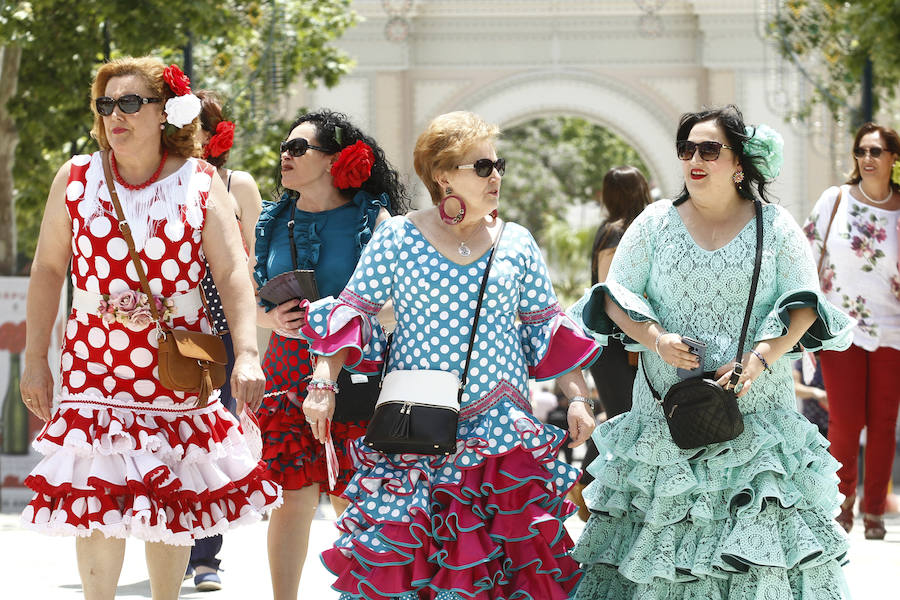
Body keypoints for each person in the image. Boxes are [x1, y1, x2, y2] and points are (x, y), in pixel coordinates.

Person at [300, 110, 600, 598]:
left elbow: (545, 329)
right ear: (443, 175)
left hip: (502, 435)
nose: (496, 175)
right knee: (418, 562)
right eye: (482, 166)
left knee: (507, 566)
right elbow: (353, 312)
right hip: (418, 430)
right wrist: (321, 384)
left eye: (498, 164)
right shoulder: (398, 237)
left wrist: (579, 397)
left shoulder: (517, 243)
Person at [18, 56, 280, 600]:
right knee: (97, 491)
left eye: (132, 102)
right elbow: (47, 269)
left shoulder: (202, 180)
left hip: (178, 360)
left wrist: (249, 352)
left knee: (175, 493)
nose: (116, 115)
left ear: (165, 113)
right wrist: (34, 358)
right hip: (94, 361)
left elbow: (234, 271)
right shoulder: (75, 178)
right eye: (106, 104)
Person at [569, 105, 855, 598]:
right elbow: (613, 298)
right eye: (686, 149)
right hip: (665, 421)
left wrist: (760, 359)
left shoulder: (777, 224)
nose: (694, 159)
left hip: (758, 422)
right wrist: (655, 338)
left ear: (740, 161)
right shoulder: (654, 224)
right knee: (658, 561)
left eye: (708, 149)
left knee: (758, 563)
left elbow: (804, 305)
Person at [253, 109, 407, 600]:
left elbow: (398, 304)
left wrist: (350, 318)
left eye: (298, 149)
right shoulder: (272, 220)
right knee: (291, 499)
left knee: (355, 497)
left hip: (358, 375)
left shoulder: (373, 219)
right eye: (284, 147)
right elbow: (248, 301)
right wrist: (271, 320)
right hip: (285, 375)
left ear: (334, 160)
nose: (285, 156)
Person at [184, 89, 265, 591]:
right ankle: (173, 539)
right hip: (177, 331)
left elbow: (251, 265)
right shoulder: (161, 182)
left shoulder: (238, 184)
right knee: (175, 437)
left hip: (226, 332)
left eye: (201, 128)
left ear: (218, 135)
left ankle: (207, 555)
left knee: (215, 436)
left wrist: (254, 342)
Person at [803, 121, 900, 540]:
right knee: (845, 420)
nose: (867, 159)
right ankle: (842, 506)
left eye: (876, 151)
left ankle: (874, 511)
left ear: (894, 158)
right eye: (861, 151)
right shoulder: (835, 199)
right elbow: (806, 253)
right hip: (840, 326)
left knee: (883, 422)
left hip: (893, 329)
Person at [573, 166, 653, 520]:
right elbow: (609, 289)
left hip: (627, 341)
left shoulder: (628, 230)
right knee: (622, 414)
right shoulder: (617, 233)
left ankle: (595, 484)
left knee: (626, 414)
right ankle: (585, 481)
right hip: (614, 342)